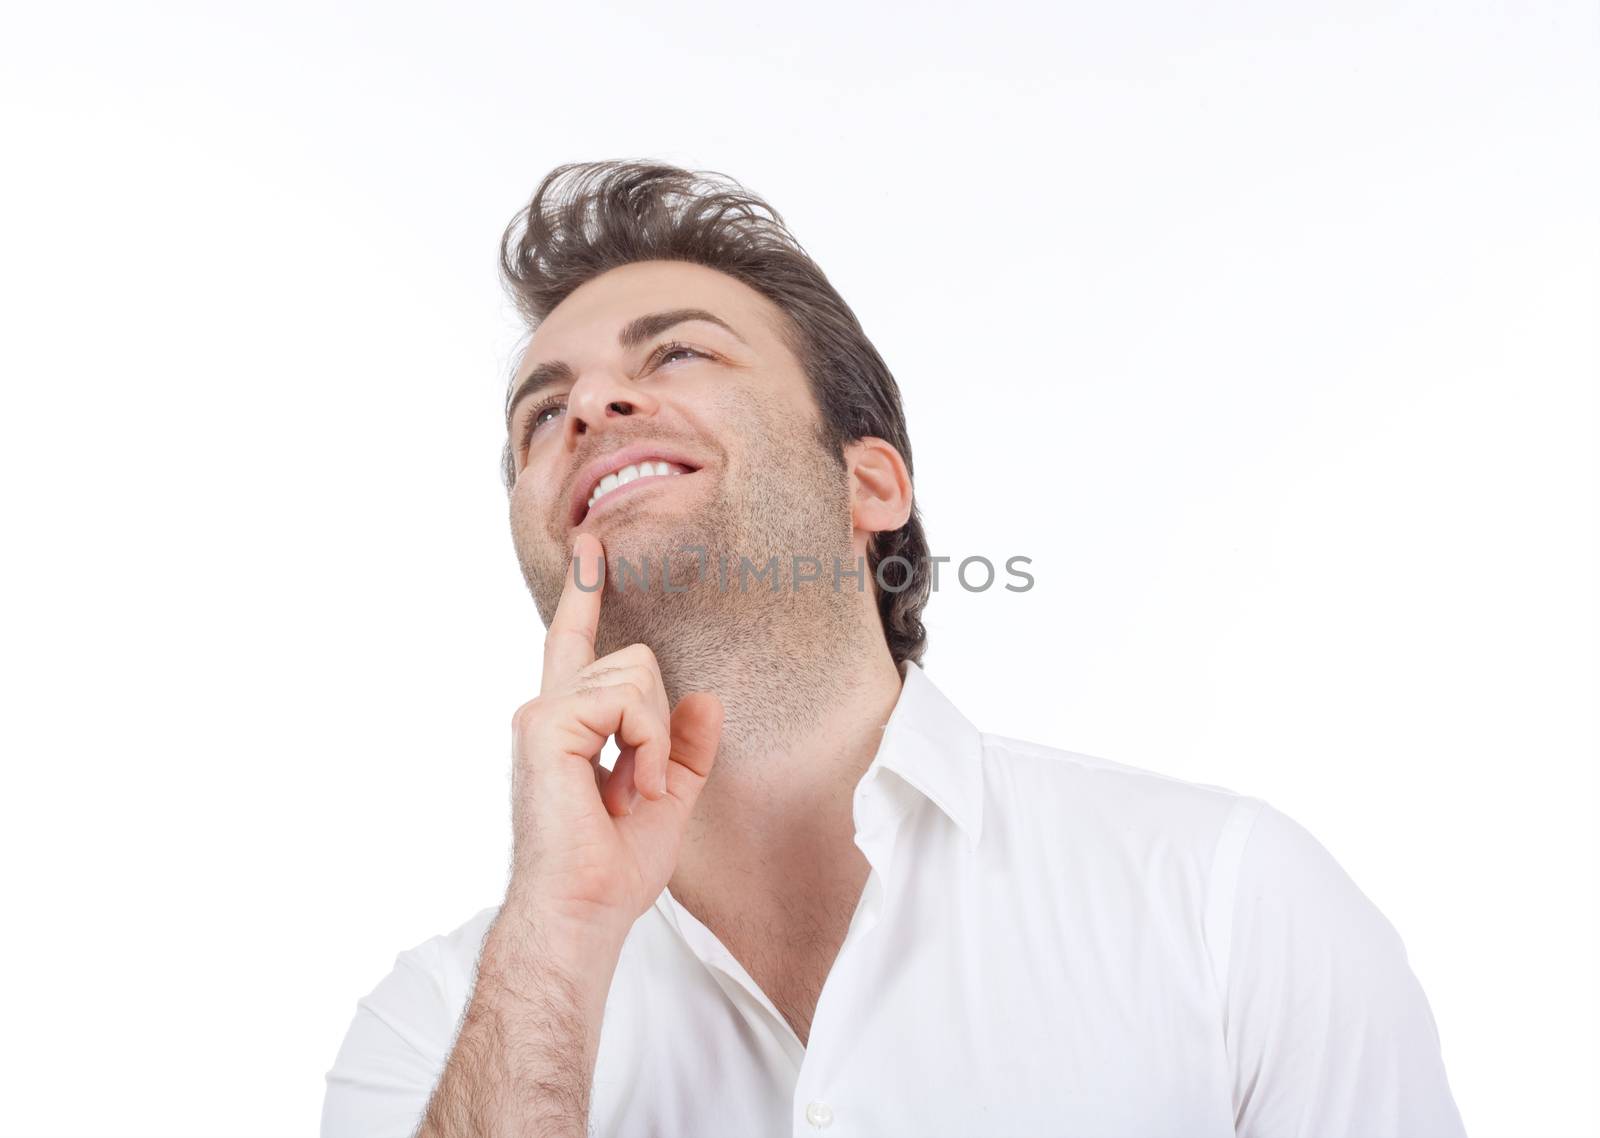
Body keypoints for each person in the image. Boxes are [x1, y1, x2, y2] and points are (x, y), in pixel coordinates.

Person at [321, 161, 1466, 1138]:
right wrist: (558, 929)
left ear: (869, 482)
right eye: (539, 411)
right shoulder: (438, 1023)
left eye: (674, 356)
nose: (587, 408)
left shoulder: (1227, 904)